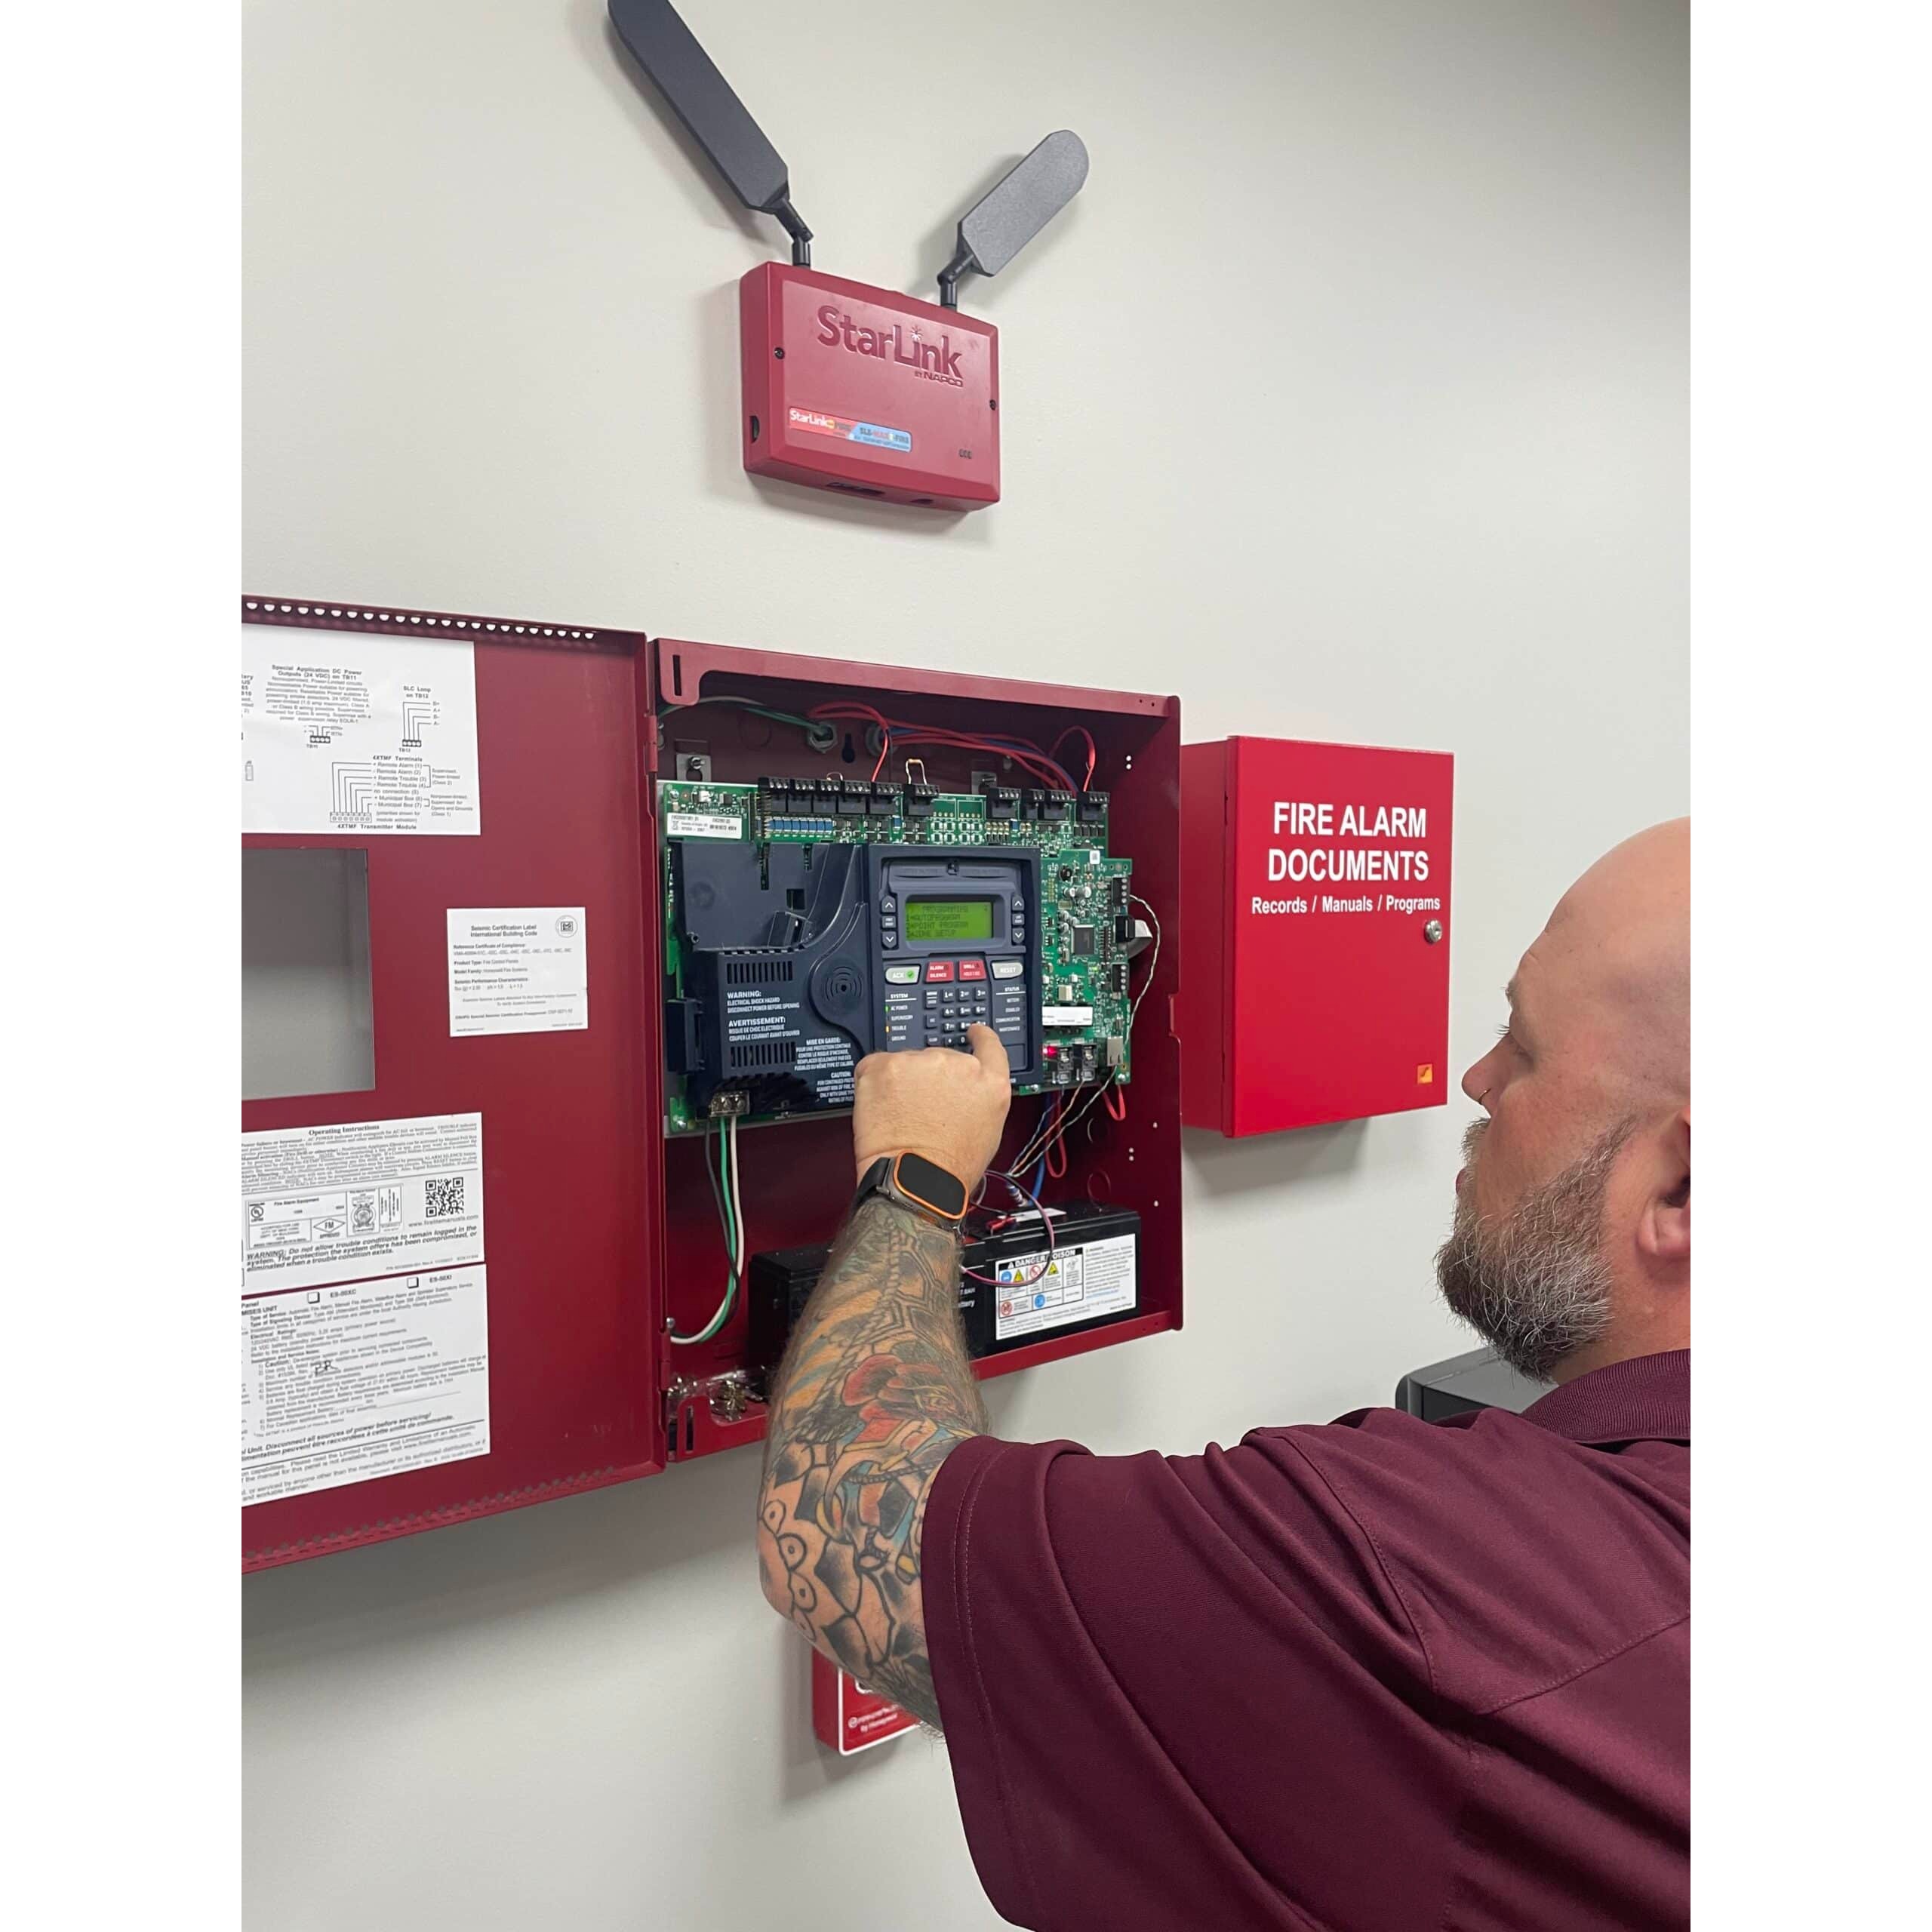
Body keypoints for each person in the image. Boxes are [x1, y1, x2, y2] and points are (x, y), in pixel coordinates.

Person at [758, 820, 1690, 1932]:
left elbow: (842, 1505)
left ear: (1685, 1190)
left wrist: (913, 1177)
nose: (1475, 1080)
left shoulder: (1443, 1578)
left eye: (1524, 1050)